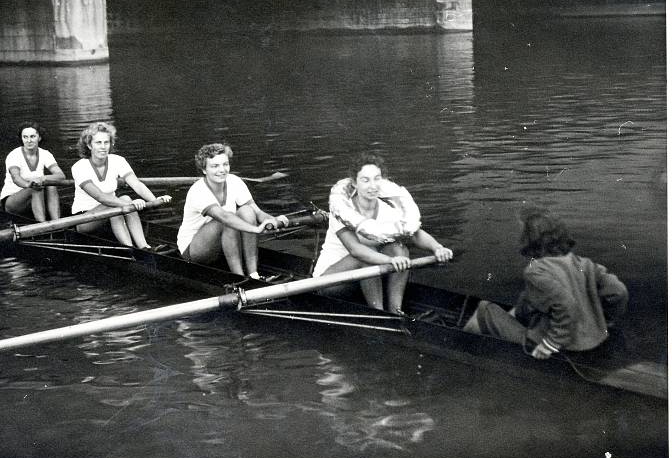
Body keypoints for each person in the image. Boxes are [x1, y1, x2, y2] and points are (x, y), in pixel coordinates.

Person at [462, 208, 629, 359]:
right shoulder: (583, 263)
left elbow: (566, 304)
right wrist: (606, 320)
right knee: (526, 305)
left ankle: (462, 354)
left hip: (563, 349)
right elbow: (618, 291)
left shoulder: (536, 271)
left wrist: (550, 344)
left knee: (483, 310)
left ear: (529, 239)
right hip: (596, 340)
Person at [313, 152, 453, 314]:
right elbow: (356, 250)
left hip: (365, 280)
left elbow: (415, 233)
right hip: (331, 282)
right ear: (354, 183)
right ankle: (379, 313)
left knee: (399, 249)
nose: (372, 186)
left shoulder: (387, 209)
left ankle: (395, 310)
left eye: (377, 179)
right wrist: (390, 260)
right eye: (365, 180)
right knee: (368, 255)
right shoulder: (342, 211)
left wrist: (437, 248)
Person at [176, 143, 289, 279]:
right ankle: (239, 277)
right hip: (194, 250)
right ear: (204, 170)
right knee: (227, 221)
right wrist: (256, 230)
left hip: (223, 243)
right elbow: (224, 217)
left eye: (225, 164)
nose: (222, 170)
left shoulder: (235, 181)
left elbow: (257, 212)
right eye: (215, 166)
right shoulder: (198, 191)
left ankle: (253, 274)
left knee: (247, 211)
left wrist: (274, 220)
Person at [71, 121, 171, 248]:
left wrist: (154, 200)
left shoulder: (118, 160)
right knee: (119, 203)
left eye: (106, 142)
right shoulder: (79, 167)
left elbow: (136, 184)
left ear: (111, 144)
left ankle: (144, 247)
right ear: (90, 145)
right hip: (84, 220)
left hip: (111, 211)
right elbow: (101, 197)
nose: (103, 147)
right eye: (98, 143)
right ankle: (130, 249)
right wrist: (131, 204)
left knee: (124, 199)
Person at [0, 121, 66, 222]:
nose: (29, 140)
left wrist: (43, 178)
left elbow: (61, 175)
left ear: (39, 138)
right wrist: (29, 184)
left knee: (51, 184)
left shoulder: (45, 154)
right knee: (35, 188)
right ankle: (42, 225)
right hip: (12, 202)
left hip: (34, 199)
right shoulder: (14, 155)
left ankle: (57, 222)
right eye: (25, 137)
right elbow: (16, 178)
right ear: (21, 139)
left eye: (32, 136)